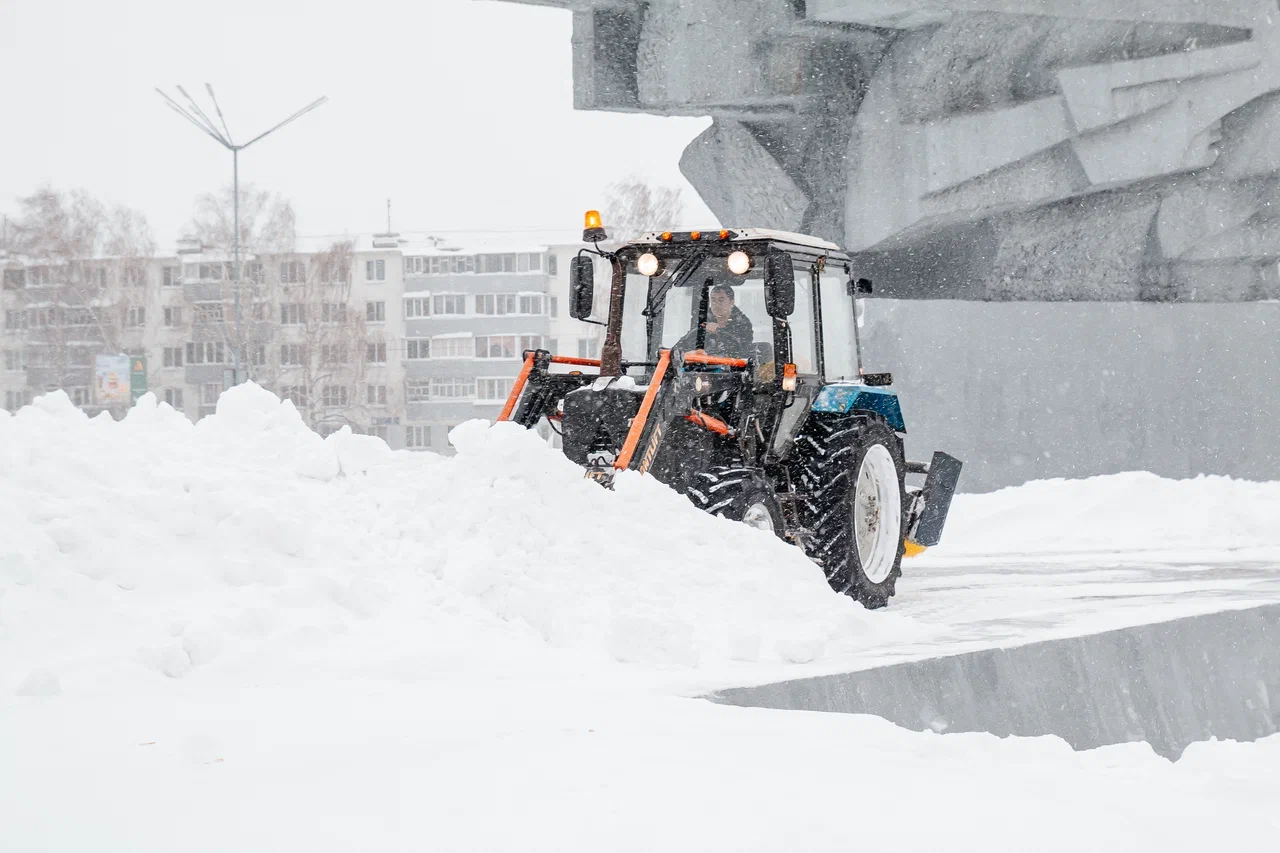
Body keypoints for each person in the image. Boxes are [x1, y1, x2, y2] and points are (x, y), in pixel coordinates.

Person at [675, 283, 754, 361]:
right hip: (702, 367)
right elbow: (686, 341)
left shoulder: (742, 324)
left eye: (721, 300)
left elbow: (741, 350)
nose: (716, 304)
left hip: (732, 368)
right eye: (713, 300)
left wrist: (719, 331)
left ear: (731, 303)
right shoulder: (702, 320)